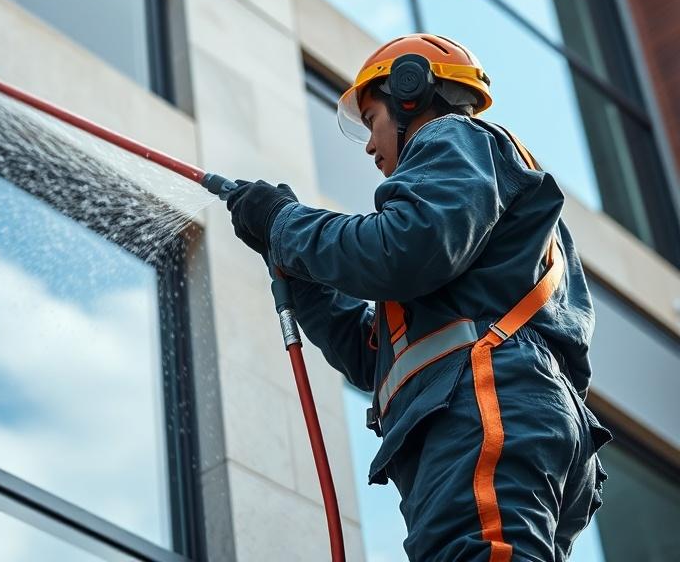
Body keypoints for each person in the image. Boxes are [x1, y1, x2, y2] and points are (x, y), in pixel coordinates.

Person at [227, 34, 611, 561]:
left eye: (372, 121)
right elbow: (374, 358)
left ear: (410, 92)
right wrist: (298, 269)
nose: (368, 146)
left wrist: (286, 224)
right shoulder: (469, 213)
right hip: (494, 410)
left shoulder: (452, 137)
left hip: (487, 403)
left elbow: (401, 248)